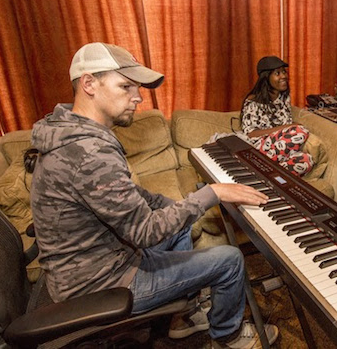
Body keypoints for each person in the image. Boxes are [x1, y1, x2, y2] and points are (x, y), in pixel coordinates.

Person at [29, 42, 278, 348]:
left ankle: (183, 316)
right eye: (125, 87)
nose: (138, 97)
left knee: (182, 226)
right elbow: (146, 231)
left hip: (97, 261)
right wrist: (210, 194)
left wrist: (183, 207)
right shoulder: (89, 151)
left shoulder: (73, 133)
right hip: (99, 284)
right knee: (229, 259)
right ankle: (229, 337)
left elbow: (134, 195)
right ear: (89, 83)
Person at [240, 56, 313, 177]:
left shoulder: (284, 97)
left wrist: (287, 129)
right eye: (277, 73)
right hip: (259, 147)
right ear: (266, 77)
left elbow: (286, 129)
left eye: (284, 72)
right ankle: (261, 166)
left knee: (306, 160)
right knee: (300, 131)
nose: (283, 76)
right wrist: (287, 128)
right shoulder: (253, 101)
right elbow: (250, 134)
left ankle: (267, 174)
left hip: (280, 148)